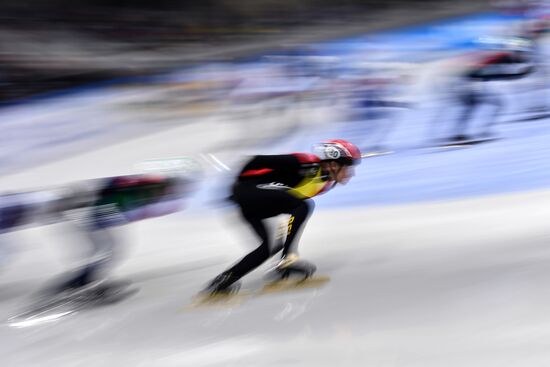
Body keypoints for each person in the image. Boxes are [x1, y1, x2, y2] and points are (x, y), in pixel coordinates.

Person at [0, 170, 195, 298]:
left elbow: (116, 197)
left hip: (82, 206)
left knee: (106, 249)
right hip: (83, 207)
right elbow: (110, 194)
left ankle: (82, 282)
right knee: (107, 248)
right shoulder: (147, 185)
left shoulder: (148, 186)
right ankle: (80, 284)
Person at [203, 139, 361, 294]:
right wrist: (234, 189)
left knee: (269, 247)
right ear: (333, 164)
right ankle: (287, 259)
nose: (351, 174)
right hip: (248, 190)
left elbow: (287, 204)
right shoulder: (306, 163)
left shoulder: (323, 184)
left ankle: (223, 281)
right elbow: (254, 160)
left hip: (256, 201)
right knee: (304, 205)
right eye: (348, 167)